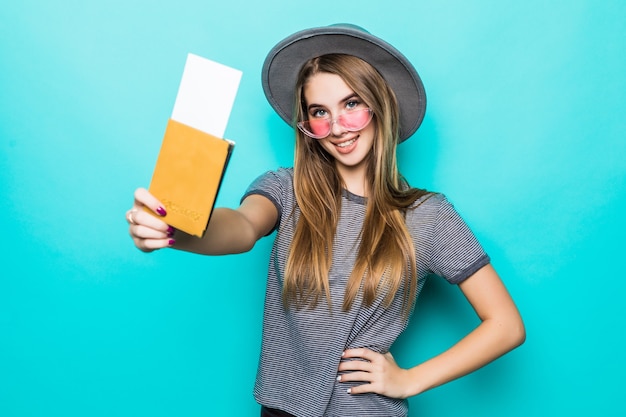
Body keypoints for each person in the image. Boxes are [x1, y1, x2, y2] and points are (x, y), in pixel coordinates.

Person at [126, 24, 525, 417]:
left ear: (380, 106)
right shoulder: (286, 189)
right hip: (280, 409)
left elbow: (506, 325)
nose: (336, 128)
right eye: (320, 112)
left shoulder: (428, 216)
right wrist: (176, 227)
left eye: (351, 104)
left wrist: (410, 379)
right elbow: (242, 228)